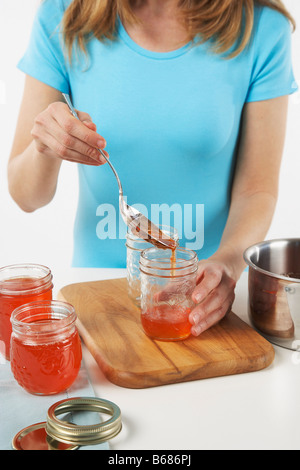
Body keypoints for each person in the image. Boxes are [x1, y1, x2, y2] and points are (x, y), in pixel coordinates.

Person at [7, 0, 297, 336]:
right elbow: (26, 196)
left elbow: (257, 189)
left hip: (202, 297)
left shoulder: (260, 26)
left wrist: (229, 260)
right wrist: (45, 146)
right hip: (95, 294)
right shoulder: (64, 14)